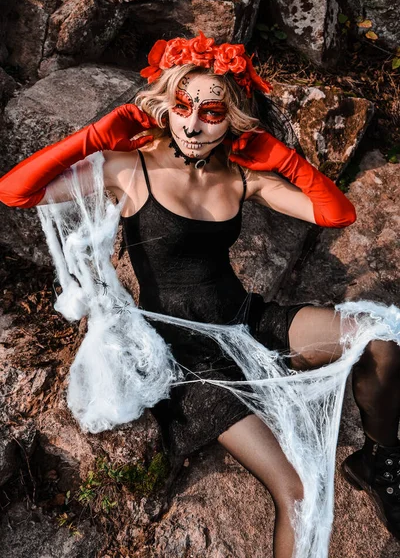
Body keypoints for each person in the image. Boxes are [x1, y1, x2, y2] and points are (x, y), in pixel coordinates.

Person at [1, 31, 399, 558]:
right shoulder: (131, 167)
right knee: (299, 492)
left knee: (379, 341)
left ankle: (379, 458)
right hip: (183, 355)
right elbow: (15, 191)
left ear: (230, 119)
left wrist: (279, 156)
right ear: (164, 106)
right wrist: (97, 136)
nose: (193, 122)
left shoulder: (239, 177)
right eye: (182, 106)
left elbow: (336, 214)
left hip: (247, 321)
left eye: (211, 111)